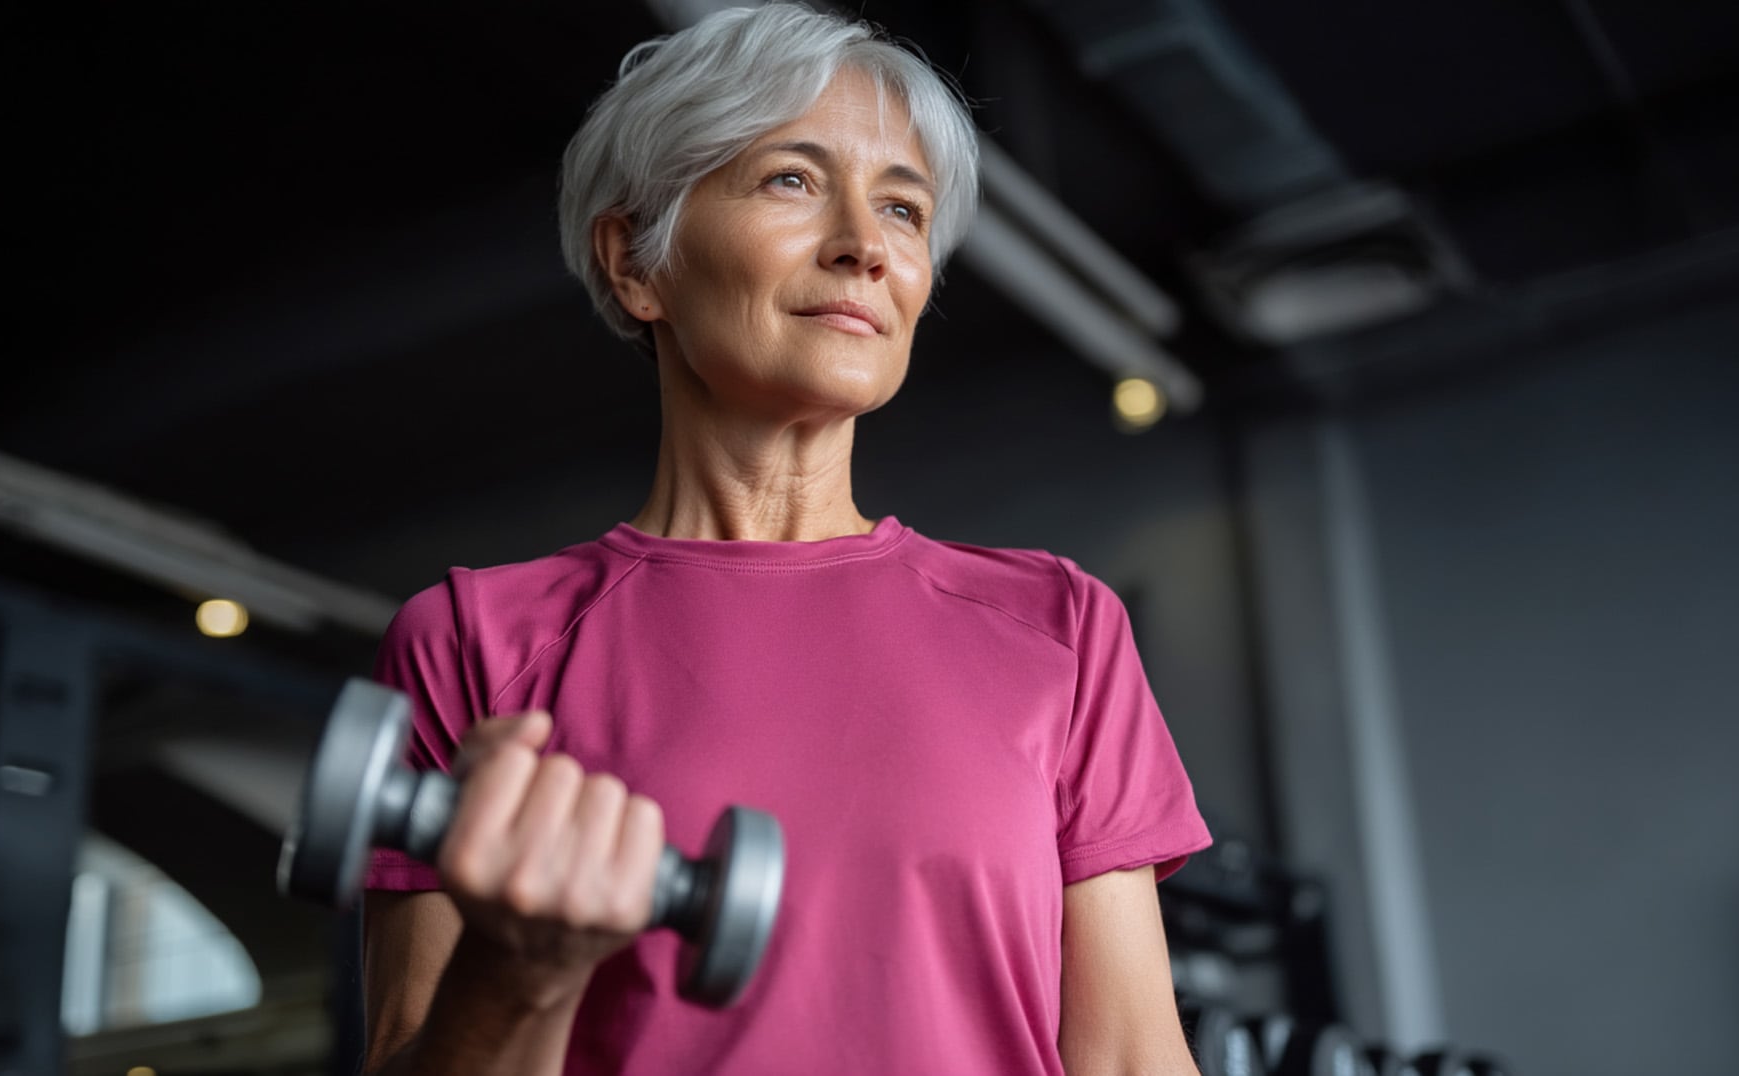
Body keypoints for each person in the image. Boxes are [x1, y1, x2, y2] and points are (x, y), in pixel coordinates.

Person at [359, 5, 1211, 1073]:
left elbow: (1133, 1057)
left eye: (902, 208)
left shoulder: (1061, 627)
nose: (865, 246)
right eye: (792, 180)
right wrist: (515, 977)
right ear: (635, 264)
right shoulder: (472, 641)